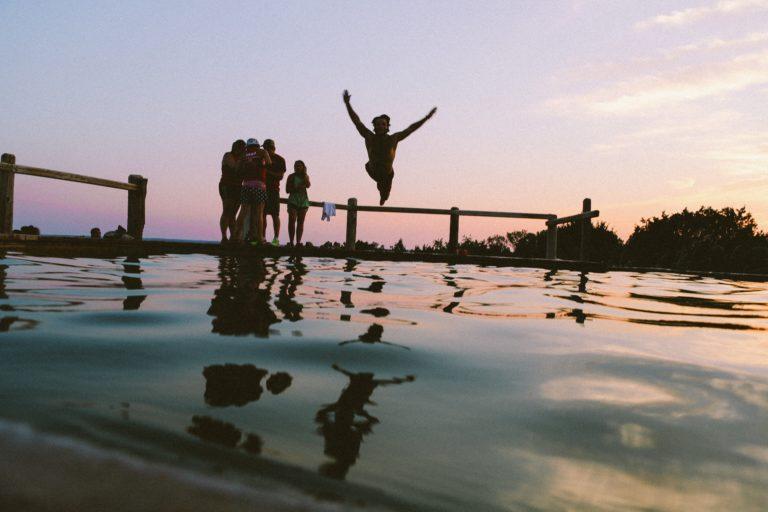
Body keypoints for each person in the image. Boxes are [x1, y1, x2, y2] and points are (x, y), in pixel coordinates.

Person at [342, 90, 437, 205]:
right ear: (374, 127)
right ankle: (382, 193)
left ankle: (383, 196)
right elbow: (356, 121)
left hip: (387, 174)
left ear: (387, 127)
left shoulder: (394, 138)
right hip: (372, 170)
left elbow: (411, 128)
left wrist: (426, 118)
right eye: (377, 124)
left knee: (385, 192)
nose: (380, 126)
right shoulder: (369, 136)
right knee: (380, 184)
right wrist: (347, 104)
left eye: (383, 124)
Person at [234, 138, 271, 244]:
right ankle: (260, 238)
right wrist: (259, 166)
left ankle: (235, 237)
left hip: (246, 185)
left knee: (243, 212)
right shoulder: (262, 152)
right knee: (259, 213)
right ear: (257, 145)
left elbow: (237, 170)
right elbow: (269, 164)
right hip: (259, 185)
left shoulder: (244, 155)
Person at [219, 139, 246, 243]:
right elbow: (235, 168)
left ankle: (233, 237)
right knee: (227, 210)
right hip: (227, 185)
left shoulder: (242, 159)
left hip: (238, 187)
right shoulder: (228, 155)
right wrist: (243, 160)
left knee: (233, 213)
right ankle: (224, 237)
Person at [262, 139, 286, 246]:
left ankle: (275, 239)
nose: (266, 150)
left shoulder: (280, 160)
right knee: (262, 215)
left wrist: (267, 172)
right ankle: (262, 238)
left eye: (268, 148)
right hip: (262, 189)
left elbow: (280, 176)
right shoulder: (261, 158)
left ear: (273, 148)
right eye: (265, 148)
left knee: (275, 215)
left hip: (274, 190)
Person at [286, 160, 310, 247]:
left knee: (301, 222)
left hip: (303, 201)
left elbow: (308, 185)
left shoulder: (305, 176)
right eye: (296, 166)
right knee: (292, 220)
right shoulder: (291, 177)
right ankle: (291, 242)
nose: (298, 167)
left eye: (300, 166)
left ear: (303, 167)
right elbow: (287, 190)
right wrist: (296, 188)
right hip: (293, 200)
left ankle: (298, 242)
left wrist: (305, 176)